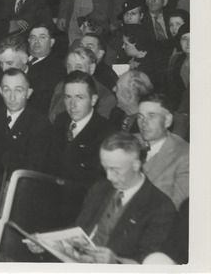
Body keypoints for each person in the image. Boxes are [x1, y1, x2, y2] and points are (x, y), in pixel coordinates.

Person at [70, 132, 175, 263]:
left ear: (136, 165)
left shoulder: (160, 206)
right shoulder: (100, 188)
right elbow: (78, 227)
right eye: (105, 168)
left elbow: (149, 262)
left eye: (115, 170)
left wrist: (116, 261)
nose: (109, 176)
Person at [0, 68, 55, 175]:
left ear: (28, 93)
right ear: (0, 92)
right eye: (7, 90)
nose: (12, 97)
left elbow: (32, 168)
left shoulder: (39, 125)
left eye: (18, 90)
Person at [52, 71, 115, 187]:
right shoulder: (61, 120)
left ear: (93, 100)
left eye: (79, 97)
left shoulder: (106, 132)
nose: (72, 105)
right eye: (68, 97)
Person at [136, 93, 189, 209]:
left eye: (151, 116)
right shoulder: (129, 142)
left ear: (167, 120)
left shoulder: (185, 156)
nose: (143, 123)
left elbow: (173, 209)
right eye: (140, 116)